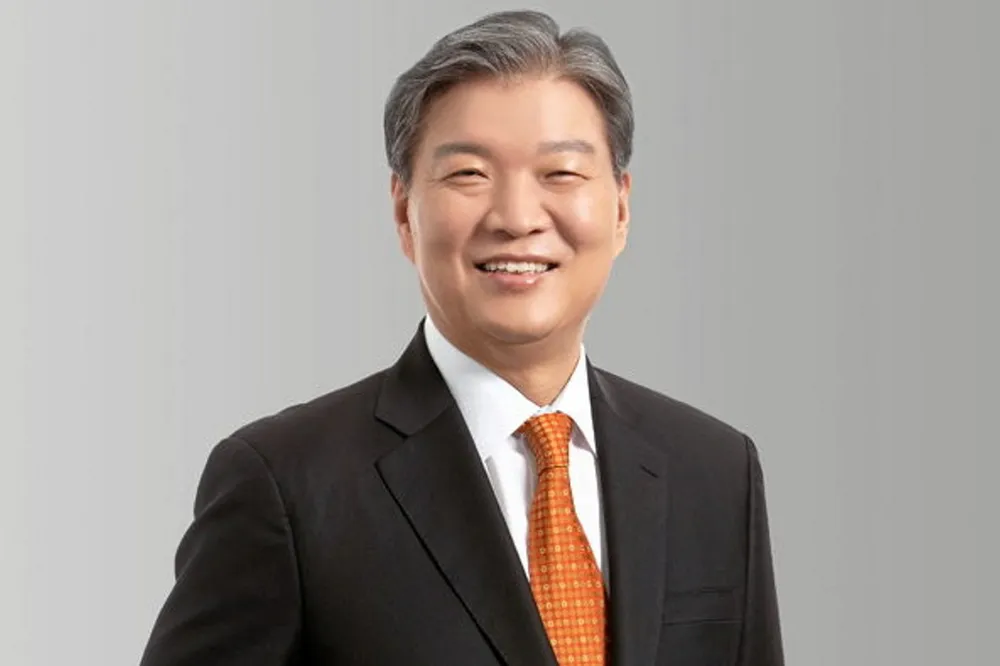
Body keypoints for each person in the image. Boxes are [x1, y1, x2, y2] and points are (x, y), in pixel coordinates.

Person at [139, 9, 783, 666]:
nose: (517, 218)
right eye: (469, 174)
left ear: (620, 208)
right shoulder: (287, 486)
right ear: (404, 211)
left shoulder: (715, 471)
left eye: (561, 172)